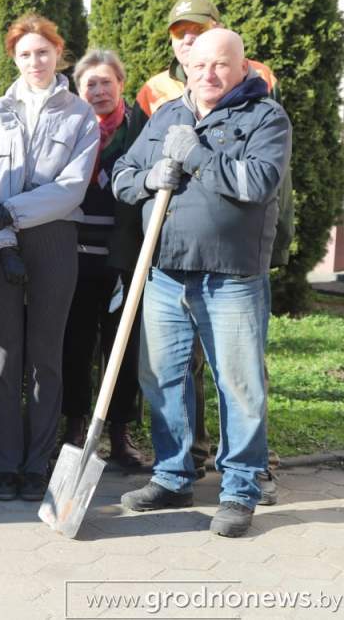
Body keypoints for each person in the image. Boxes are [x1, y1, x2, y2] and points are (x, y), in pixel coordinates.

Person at [114, 29, 291, 538]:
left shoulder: (265, 117)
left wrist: (194, 157)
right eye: (198, 66)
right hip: (165, 272)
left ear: (241, 69)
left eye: (220, 65)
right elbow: (125, 175)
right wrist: (151, 179)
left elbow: (256, 183)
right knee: (162, 377)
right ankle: (173, 476)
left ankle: (239, 489)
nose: (208, 75)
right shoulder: (166, 115)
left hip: (231, 276)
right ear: (185, 67)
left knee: (239, 385)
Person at [0, 14, 100, 502]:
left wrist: (10, 215)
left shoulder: (79, 114)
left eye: (42, 51)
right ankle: (3, 463)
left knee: (46, 355)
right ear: (14, 58)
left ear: (58, 54)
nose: (34, 61)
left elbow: (71, 189)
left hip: (52, 238)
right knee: (3, 355)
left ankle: (36, 462)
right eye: (25, 53)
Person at [59, 49, 146, 471]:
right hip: (75, 254)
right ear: (79, 90)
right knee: (74, 343)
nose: (98, 91)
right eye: (89, 84)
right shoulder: (71, 129)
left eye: (105, 82)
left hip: (124, 255)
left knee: (122, 346)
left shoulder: (142, 129)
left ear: (121, 84)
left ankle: (119, 432)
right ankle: (75, 426)